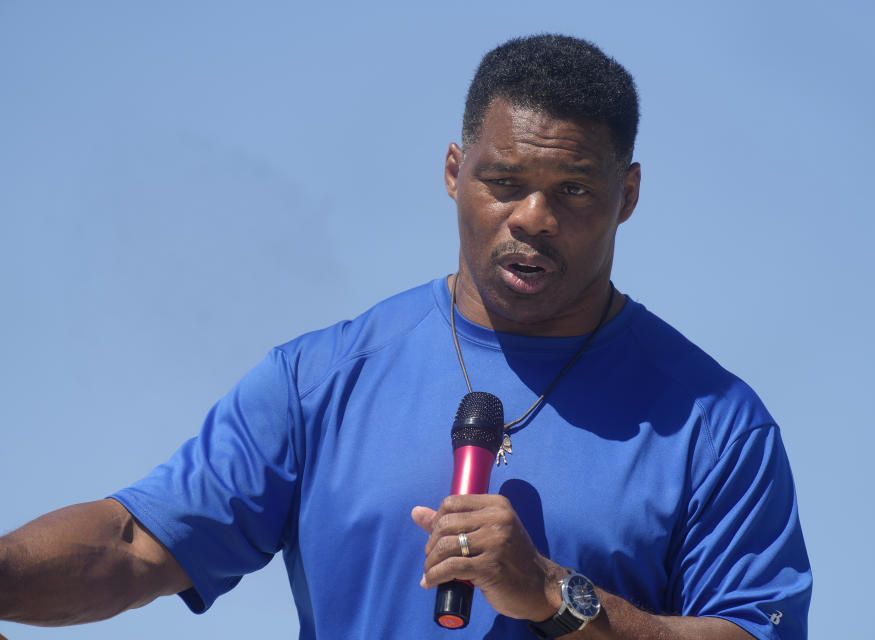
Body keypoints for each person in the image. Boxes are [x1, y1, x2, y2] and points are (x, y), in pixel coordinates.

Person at [0, 34, 811, 639]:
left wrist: (553, 595)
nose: (534, 217)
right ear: (455, 172)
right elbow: (132, 545)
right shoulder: (318, 381)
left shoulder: (713, 424)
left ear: (627, 194)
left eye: (573, 190)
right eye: (505, 183)